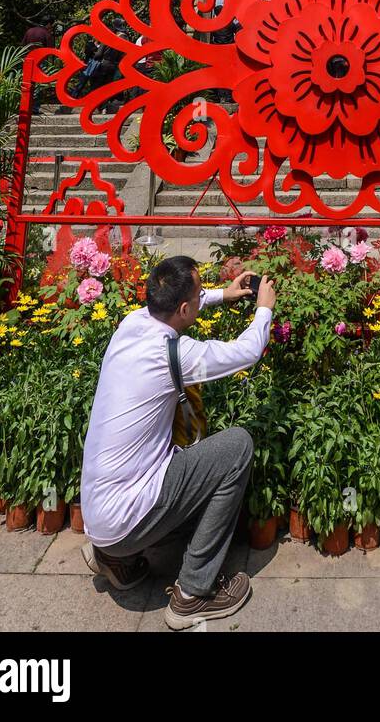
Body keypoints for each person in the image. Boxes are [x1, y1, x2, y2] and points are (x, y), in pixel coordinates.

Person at [80, 254, 276, 629]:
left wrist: (224, 295)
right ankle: (192, 593)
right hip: (126, 520)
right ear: (184, 307)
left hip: (98, 518)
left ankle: (114, 558)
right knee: (237, 446)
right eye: (200, 294)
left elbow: (183, 305)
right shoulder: (173, 354)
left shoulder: (132, 323)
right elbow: (245, 353)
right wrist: (263, 309)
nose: (203, 297)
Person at [21, 15, 54, 115]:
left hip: (28, 60)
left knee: (27, 84)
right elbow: (50, 49)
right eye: (51, 25)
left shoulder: (29, 31)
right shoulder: (46, 33)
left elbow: (23, 45)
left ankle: (25, 106)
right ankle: (35, 108)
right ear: (48, 24)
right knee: (38, 85)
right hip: (40, 61)